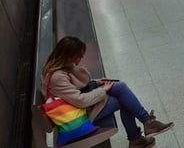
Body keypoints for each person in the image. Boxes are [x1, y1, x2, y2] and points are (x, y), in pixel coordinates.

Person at [42, 36, 173, 148]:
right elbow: (81, 100)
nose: (80, 59)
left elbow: (73, 90)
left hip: (76, 108)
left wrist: (96, 83)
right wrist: (103, 90)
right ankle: (142, 130)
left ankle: (143, 129)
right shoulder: (57, 77)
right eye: (78, 56)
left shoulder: (58, 69)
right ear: (68, 56)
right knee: (122, 96)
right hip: (76, 116)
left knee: (120, 89)